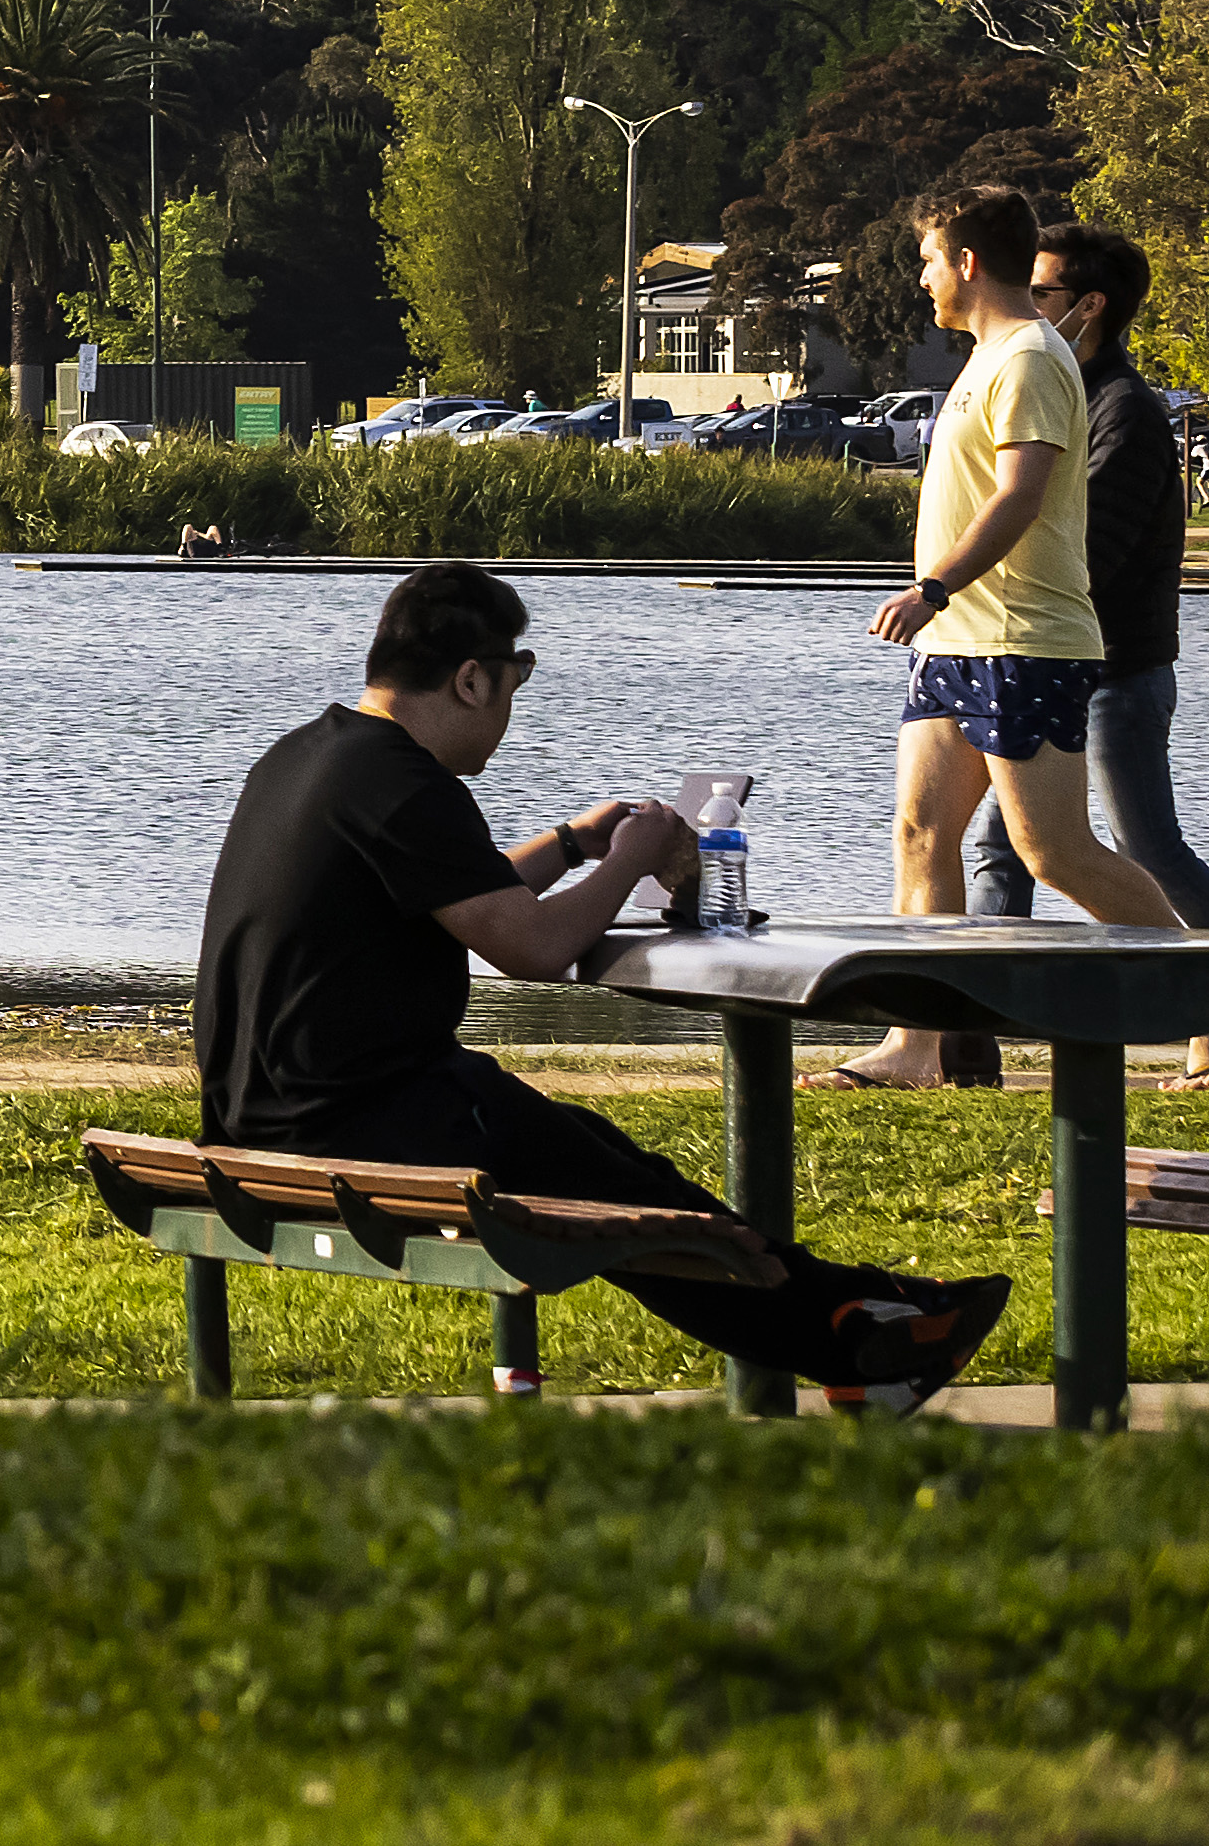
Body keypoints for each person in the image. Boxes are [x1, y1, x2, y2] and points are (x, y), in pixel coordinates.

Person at [196, 565, 1001, 1408]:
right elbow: (534, 948)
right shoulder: (404, 782)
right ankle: (858, 1329)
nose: (512, 704)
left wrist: (576, 844)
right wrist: (629, 860)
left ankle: (853, 1322)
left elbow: (467, 896)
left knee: (609, 1163)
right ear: (471, 678)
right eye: (517, 676)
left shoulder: (316, 753)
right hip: (362, 1120)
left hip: (269, 1112)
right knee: (630, 1199)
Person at [836, 188, 1192, 1087]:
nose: (919, 278)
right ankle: (914, 1043)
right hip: (954, 644)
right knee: (920, 831)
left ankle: (1198, 996)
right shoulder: (985, 356)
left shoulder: (1031, 355)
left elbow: (1019, 495)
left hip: (1023, 639)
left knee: (1054, 851)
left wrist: (931, 585)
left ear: (964, 261)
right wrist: (938, 611)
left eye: (925, 260)